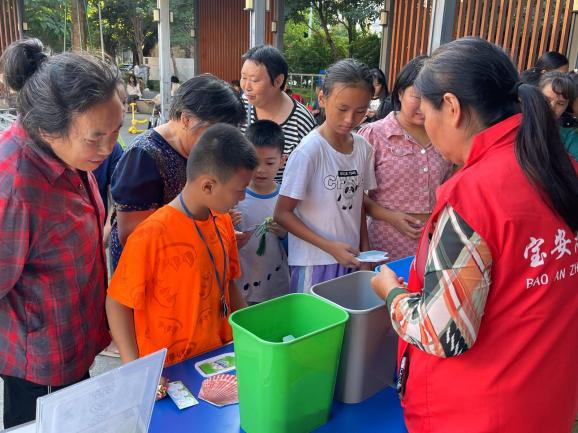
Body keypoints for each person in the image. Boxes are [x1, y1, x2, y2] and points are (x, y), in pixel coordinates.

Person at [372, 37, 578, 433]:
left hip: (476, 411)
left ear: (451, 108)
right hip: (548, 397)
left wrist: (391, 294)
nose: (427, 128)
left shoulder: (475, 194)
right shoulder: (561, 167)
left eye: (427, 113)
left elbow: (442, 332)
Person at [0, 39, 124, 428]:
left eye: (116, 130)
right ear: (47, 129)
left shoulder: (69, 155)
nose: (110, 147)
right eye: (96, 137)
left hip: (73, 345)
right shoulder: (15, 187)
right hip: (41, 367)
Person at [106, 124, 256, 381]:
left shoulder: (222, 222)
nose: (243, 197)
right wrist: (135, 369)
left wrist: (250, 333)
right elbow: (117, 303)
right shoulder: (151, 234)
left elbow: (228, 282)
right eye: (239, 189)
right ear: (208, 186)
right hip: (167, 371)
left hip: (218, 359)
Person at [109, 74, 245, 270]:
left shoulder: (197, 150)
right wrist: (205, 231)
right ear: (186, 119)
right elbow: (133, 235)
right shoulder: (144, 155)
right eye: (215, 133)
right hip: (148, 274)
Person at [274, 59, 377, 293]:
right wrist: (330, 247)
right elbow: (282, 213)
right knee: (315, 318)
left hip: (351, 259)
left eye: (360, 111)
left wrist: (366, 252)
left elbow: (357, 205)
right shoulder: (309, 151)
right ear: (322, 98)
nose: (350, 119)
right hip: (314, 262)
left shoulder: (363, 147)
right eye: (342, 109)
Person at [359, 57, 453, 261]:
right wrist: (390, 216)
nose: (424, 105)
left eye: (432, 98)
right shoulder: (374, 135)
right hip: (384, 243)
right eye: (417, 96)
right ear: (400, 93)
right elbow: (353, 194)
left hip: (433, 244)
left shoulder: (446, 137)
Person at [240, 45, 316, 181]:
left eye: (254, 80)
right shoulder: (239, 108)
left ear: (278, 81)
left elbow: (310, 174)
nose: (246, 87)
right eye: (243, 77)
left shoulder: (302, 121)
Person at [235, 120, 290, 304]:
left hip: (278, 288)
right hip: (241, 291)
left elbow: (296, 247)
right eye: (255, 161)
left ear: (282, 160)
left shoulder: (286, 199)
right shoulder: (234, 198)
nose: (261, 170)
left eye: (269, 163)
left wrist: (284, 234)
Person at [538, 71, 578, 161]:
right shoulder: (517, 124)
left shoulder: (570, 138)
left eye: (560, 103)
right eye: (547, 100)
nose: (552, 107)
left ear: (567, 106)